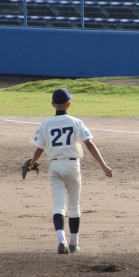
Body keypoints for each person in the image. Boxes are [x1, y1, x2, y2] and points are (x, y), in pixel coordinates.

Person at [27, 88, 113, 254]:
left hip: (54, 167)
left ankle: (61, 241)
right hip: (72, 166)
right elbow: (89, 144)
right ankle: (74, 243)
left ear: (53, 104)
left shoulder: (46, 124)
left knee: (59, 206)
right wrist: (104, 166)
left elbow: (40, 148)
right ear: (69, 104)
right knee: (74, 207)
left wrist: (32, 162)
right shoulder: (76, 122)